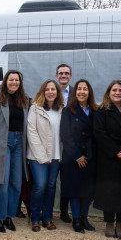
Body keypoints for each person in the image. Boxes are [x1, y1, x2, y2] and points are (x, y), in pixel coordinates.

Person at [0, 70, 29, 233]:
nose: (14, 82)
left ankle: (9, 216)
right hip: (2, 143)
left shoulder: (25, 100)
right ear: (5, 81)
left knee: (15, 182)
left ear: (20, 82)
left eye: (17, 80)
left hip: (19, 144)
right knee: (1, 181)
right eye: (11, 80)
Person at [93, 80, 121, 239]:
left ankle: (120, 223)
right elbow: (99, 133)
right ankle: (109, 223)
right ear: (109, 92)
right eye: (114, 90)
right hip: (108, 158)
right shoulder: (102, 110)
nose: (117, 93)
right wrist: (115, 151)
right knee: (109, 191)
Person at [60, 79, 97, 233]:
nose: (82, 91)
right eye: (79, 89)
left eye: (85, 89)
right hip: (72, 157)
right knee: (74, 190)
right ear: (75, 93)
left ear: (89, 92)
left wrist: (89, 154)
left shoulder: (96, 111)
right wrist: (77, 156)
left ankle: (84, 218)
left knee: (87, 191)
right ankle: (76, 220)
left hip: (90, 156)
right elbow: (65, 135)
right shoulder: (68, 111)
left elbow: (97, 134)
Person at [26, 79, 63, 232]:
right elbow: (31, 132)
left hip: (56, 156)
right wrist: (42, 156)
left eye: (53, 89)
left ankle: (47, 218)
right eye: (47, 89)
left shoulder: (62, 109)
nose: (50, 92)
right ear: (43, 91)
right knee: (40, 185)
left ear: (57, 92)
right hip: (37, 156)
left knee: (51, 186)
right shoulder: (35, 108)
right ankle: (35, 218)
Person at [55, 64, 75, 223]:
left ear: (71, 76)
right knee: (48, 179)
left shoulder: (77, 93)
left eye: (66, 73)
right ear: (56, 76)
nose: (63, 75)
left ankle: (63, 211)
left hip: (69, 143)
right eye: (61, 73)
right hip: (52, 141)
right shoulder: (50, 90)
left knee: (67, 179)